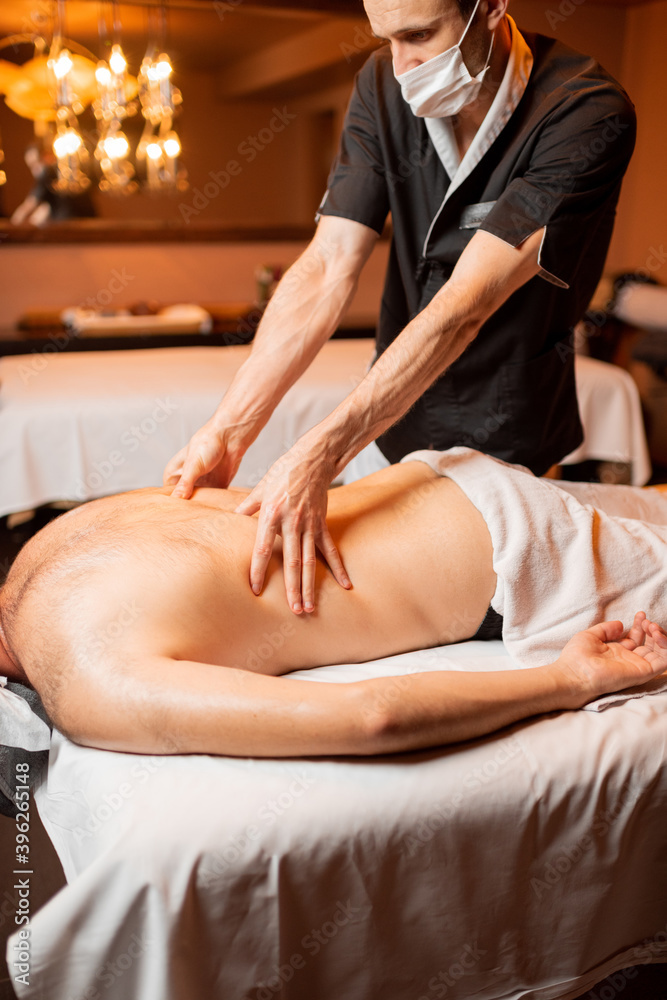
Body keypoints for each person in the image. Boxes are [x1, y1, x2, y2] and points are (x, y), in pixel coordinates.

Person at [164, 0, 636, 616]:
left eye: (418, 34)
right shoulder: (382, 85)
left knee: (485, 603)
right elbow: (330, 262)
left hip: (510, 422)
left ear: (492, 7)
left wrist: (321, 448)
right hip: (392, 415)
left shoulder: (585, 110)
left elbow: (465, 306)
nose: (402, 64)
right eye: (385, 38)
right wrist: (229, 429)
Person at [1, 451, 666, 760]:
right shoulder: (47, 541)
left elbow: (370, 718)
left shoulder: (80, 674)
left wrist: (567, 681)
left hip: (525, 560)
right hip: (446, 476)